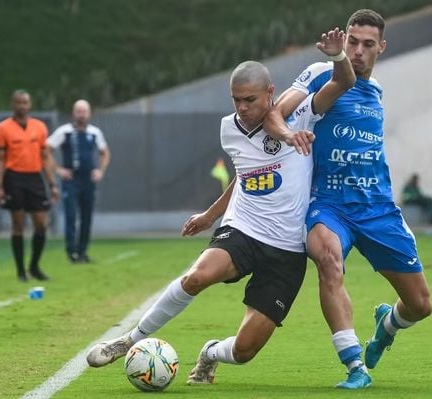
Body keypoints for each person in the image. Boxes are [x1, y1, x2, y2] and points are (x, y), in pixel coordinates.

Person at [85, 28, 355, 386]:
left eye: (250, 100)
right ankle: (128, 341)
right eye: (236, 100)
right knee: (198, 275)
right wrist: (210, 215)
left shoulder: (302, 114)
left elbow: (344, 81)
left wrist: (338, 56)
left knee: (245, 351)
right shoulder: (229, 129)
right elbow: (244, 177)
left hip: (287, 250)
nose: (242, 109)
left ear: (270, 93)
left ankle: (211, 352)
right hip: (243, 230)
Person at [264, 9, 432, 389]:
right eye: (352, 42)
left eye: (367, 45)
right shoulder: (321, 73)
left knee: (421, 305)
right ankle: (355, 365)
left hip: (378, 209)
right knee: (326, 257)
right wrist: (289, 136)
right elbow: (277, 112)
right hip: (330, 206)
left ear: (381, 48)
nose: (357, 50)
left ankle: (386, 326)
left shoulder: (377, 91)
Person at [0, 90, 59, 281]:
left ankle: (34, 266)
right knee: (18, 224)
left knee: (41, 224)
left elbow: (45, 157)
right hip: (14, 178)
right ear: (13, 104)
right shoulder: (3, 129)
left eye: (25, 102)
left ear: (30, 105)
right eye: (18, 102)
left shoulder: (39, 127)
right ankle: (21, 271)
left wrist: (52, 184)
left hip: (34, 178)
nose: (22, 106)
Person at [47, 99, 110, 263]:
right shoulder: (64, 131)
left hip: (88, 180)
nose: (81, 115)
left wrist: (100, 171)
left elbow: (105, 152)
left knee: (87, 217)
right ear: (73, 113)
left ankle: (83, 251)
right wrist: (58, 169)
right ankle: (72, 252)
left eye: (84, 111)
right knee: (71, 216)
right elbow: (46, 150)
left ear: (89, 114)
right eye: (78, 111)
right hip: (71, 181)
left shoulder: (95, 132)